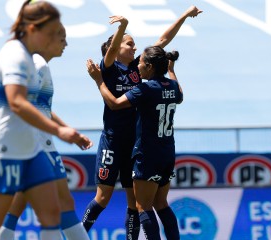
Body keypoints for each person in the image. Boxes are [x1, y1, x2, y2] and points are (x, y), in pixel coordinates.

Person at [0, 1, 87, 239]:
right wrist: (60, 132)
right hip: (6, 148)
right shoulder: (16, 56)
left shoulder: (29, 58)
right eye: (52, 34)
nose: (55, 39)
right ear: (32, 29)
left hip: (30, 148)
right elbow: (16, 102)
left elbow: (0, 100)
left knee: (52, 213)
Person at [81, 6, 202, 239]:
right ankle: (77, 234)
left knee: (135, 202)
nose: (134, 47)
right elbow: (113, 49)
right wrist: (123, 26)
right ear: (114, 50)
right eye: (129, 43)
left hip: (135, 145)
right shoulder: (108, 68)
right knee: (103, 197)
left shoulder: (140, 68)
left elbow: (163, 40)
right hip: (113, 140)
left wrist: (184, 17)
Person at [0, 24, 92, 240]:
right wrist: (57, 132)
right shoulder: (38, 64)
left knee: (20, 207)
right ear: (47, 38)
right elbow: (20, 103)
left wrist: (65, 129)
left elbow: (39, 107)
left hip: (33, 142)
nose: (66, 44)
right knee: (59, 207)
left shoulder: (36, 63)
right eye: (62, 38)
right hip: (37, 143)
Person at [87, 46, 182, 240]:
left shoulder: (146, 89)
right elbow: (179, 95)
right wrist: (171, 70)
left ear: (149, 66)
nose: (137, 65)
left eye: (140, 63)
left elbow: (114, 103)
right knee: (162, 204)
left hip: (148, 154)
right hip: (167, 152)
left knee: (143, 207)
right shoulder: (172, 87)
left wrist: (99, 81)